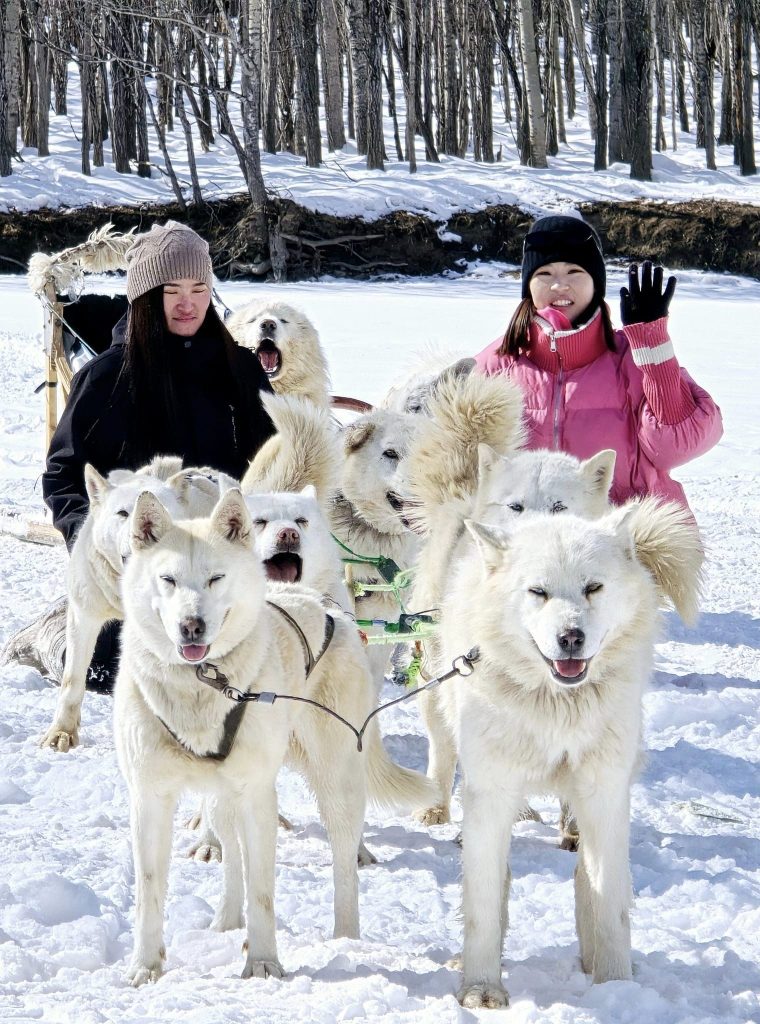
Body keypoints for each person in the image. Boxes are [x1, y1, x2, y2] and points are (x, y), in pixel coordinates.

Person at [36, 220, 276, 689]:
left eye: (199, 288)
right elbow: (63, 474)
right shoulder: (107, 378)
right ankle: (55, 635)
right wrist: (91, 542)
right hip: (144, 571)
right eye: (171, 290)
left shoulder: (239, 371)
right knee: (110, 671)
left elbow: (273, 465)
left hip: (220, 566)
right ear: (145, 296)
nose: (188, 302)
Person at [474, 214, 722, 509]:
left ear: (596, 284)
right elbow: (456, 460)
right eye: (545, 274)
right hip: (527, 544)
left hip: (625, 541)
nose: (559, 286)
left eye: (574, 271)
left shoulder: (632, 358)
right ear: (528, 284)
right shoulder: (495, 366)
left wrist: (653, 345)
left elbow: (676, 447)